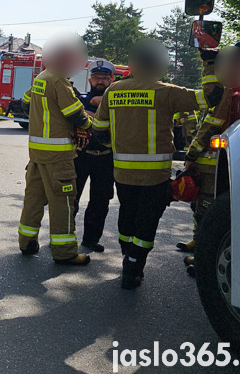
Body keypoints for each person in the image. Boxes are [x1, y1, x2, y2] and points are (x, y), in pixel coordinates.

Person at [92, 38, 222, 290]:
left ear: (132, 64)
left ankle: (127, 259)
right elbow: (211, 97)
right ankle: (134, 266)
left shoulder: (113, 90)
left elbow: (99, 131)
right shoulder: (166, 92)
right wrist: (209, 62)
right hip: (155, 176)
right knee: (147, 221)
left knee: (127, 217)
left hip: (122, 174)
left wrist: (120, 144)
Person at [19, 33, 93, 266]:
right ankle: (65, 253)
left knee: (33, 199)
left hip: (37, 156)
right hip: (58, 157)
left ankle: (26, 242)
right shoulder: (59, 81)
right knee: (63, 204)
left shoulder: (42, 77)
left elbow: (25, 102)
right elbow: (75, 114)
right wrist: (90, 126)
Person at [177, 43, 240, 271]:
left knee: (206, 209)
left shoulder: (229, 89)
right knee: (200, 207)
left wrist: (192, 153)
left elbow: (211, 124)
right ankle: (198, 244)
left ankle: (203, 259)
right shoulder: (230, 86)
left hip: (212, 163)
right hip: (212, 162)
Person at [72, 60, 116, 252]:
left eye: (104, 78)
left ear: (111, 80)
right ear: (90, 79)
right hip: (81, 156)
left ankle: (91, 239)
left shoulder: (118, 102)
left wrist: (94, 114)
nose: (100, 81)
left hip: (106, 158)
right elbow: (72, 119)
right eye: (97, 77)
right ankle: (64, 236)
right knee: (71, 198)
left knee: (100, 201)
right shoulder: (79, 99)